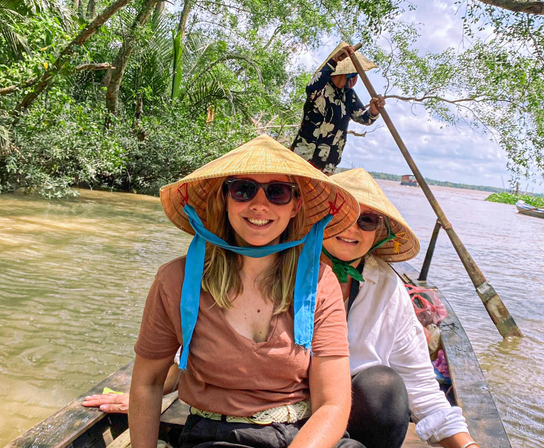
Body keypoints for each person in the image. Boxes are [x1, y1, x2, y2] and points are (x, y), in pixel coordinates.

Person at [126, 135, 364, 448]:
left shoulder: (320, 282)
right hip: (217, 437)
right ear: (226, 199)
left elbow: (332, 403)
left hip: (301, 434)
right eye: (244, 190)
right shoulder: (176, 280)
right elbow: (148, 382)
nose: (259, 205)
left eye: (277, 192)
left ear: (296, 206)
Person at [321, 168, 477, 448]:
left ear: (379, 232)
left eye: (366, 220)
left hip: (352, 413)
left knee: (384, 387)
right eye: (340, 213)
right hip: (290, 405)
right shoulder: (285, 269)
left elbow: (419, 382)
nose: (350, 228)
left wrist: (467, 445)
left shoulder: (386, 287)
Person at [291, 43, 385, 175]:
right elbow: (311, 87)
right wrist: (334, 60)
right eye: (354, 75)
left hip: (328, 166)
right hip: (304, 160)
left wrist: (374, 111)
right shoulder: (320, 87)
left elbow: (364, 118)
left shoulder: (349, 95)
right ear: (348, 74)